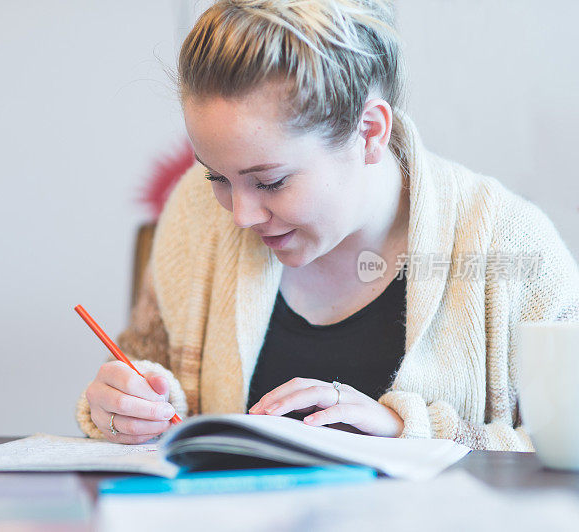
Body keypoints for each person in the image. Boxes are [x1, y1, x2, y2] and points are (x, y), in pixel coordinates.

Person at [76, 0, 579, 450]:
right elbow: (145, 373)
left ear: (369, 132)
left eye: (270, 182)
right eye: (218, 177)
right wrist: (125, 408)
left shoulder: (507, 247)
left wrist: (408, 430)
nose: (240, 215)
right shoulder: (195, 211)